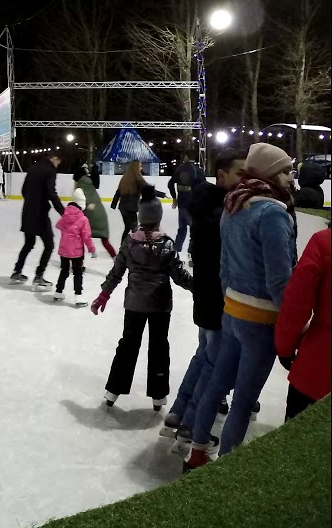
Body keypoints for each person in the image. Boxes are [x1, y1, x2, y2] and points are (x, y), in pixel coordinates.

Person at [185, 143, 297, 470]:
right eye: (286, 170)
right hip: (259, 320)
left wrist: (229, 305)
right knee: (243, 401)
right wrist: (294, 323)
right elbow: (280, 281)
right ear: (270, 173)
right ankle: (225, 468)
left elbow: (224, 269)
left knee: (218, 385)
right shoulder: (272, 212)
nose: (291, 177)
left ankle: (197, 453)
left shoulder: (234, 204)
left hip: (232, 312)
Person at [165, 150, 246, 444]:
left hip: (208, 297)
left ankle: (179, 410)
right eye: (239, 173)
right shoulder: (222, 211)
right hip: (217, 299)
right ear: (221, 175)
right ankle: (191, 422)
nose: (244, 179)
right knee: (214, 362)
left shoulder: (211, 205)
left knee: (205, 356)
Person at [91, 186, 192, 409]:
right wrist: (199, 288)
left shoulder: (129, 242)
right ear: (158, 218)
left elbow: (116, 272)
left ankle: (112, 392)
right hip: (160, 305)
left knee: (127, 345)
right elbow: (179, 276)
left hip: (135, 304)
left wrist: (104, 294)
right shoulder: (166, 244)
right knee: (158, 348)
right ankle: (158, 396)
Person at [275, 227, 330, 421]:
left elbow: (296, 304)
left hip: (318, 369)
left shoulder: (324, 243)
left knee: (297, 445)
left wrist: (285, 348)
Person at [11, 154, 66, 286]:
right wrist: (63, 212)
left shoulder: (33, 168)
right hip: (40, 214)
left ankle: (17, 271)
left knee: (29, 244)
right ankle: (39, 275)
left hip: (28, 211)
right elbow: (51, 193)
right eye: (58, 163)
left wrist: (32, 201)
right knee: (49, 245)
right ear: (54, 158)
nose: (57, 166)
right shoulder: (50, 171)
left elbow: (24, 190)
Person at [54, 189, 97, 304]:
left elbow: (58, 225)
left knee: (64, 271)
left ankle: (58, 292)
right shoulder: (83, 219)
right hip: (77, 252)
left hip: (63, 250)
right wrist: (92, 249)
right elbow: (86, 237)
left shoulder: (65, 215)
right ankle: (78, 295)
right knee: (77, 273)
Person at [169, 154, 205, 253]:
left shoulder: (179, 169)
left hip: (181, 203)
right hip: (193, 204)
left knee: (182, 228)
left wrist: (174, 198)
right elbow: (204, 186)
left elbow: (170, 183)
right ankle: (191, 252)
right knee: (194, 229)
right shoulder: (197, 171)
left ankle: (176, 250)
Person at [74, 169, 114, 257]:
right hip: (101, 217)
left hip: (90, 218)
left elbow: (81, 207)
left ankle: (80, 263)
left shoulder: (79, 190)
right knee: (105, 240)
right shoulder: (91, 186)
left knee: (79, 239)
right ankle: (115, 258)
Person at [111, 161, 152, 236]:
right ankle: (132, 245)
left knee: (127, 228)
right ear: (136, 168)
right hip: (131, 208)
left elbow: (118, 192)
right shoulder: (138, 178)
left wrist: (114, 204)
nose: (141, 168)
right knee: (134, 229)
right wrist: (162, 194)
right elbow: (148, 190)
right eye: (140, 166)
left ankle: (123, 246)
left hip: (123, 207)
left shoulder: (125, 177)